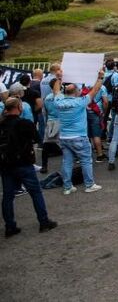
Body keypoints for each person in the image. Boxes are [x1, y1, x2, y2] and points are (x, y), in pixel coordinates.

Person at [1, 97, 57, 237]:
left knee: (8, 196)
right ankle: (43, 222)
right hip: (24, 163)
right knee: (36, 192)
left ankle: (10, 226)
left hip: (6, 164)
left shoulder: (1, 124)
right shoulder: (24, 123)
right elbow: (37, 139)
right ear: (19, 107)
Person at [54, 72, 105, 194]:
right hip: (79, 137)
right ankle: (89, 184)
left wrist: (58, 79)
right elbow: (95, 90)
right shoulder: (80, 102)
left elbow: (56, 90)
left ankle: (67, 187)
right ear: (76, 92)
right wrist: (100, 77)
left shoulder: (59, 101)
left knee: (67, 162)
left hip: (64, 137)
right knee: (86, 161)